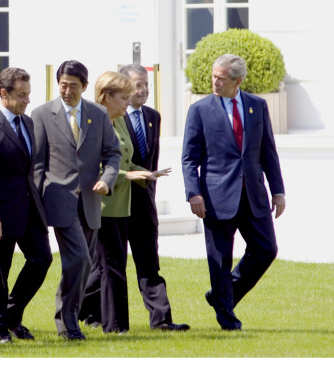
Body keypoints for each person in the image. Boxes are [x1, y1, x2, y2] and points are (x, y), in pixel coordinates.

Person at [181, 54, 285, 331]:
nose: (215, 81)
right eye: (214, 76)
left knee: (266, 250)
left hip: (253, 195)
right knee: (220, 260)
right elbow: (189, 157)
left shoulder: (257, 106)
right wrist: (193, 193)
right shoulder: (200, 110)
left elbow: (268, 151)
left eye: (221, 78)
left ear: (238, 81)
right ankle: (227, 317)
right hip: (215, 198)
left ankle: (221, 296)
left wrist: (278, 191)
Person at [32, 60, 121, 340]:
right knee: (80, 259)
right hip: (58, 200)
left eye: (73, 85)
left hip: (91, 201)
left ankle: (69, 316)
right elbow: (37, 163)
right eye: (63, 85)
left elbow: (112, 154)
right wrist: (35, 205)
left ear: (84, 86)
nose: (67, 90)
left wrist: (107, 180)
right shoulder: (42, 114)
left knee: (83, 264)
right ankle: (67, 320)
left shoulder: (98, 114)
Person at [79, 71, 171, 334]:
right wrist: (129, 175)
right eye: (124, 97)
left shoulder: (117, 121)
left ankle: (110, 322)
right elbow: (91, 168)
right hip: (103, 205)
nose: (127, 103)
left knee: (113, 267)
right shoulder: (92, 123)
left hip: (123, 204)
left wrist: (146, 174)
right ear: (106, 97)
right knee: (110, 268)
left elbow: (124, 159)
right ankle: (114, 326)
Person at [0, 67, 52, 343]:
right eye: (21, 95)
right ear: (3, 93)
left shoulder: (27, 123)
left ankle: (12, 315)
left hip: (30, 210)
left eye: (29, 94)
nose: (28, 100)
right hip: (0, 214)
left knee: (42, 258)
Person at [119, 64, 190, 331]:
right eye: (138, 85)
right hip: (116, 202)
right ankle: (90, 313)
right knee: (104, 267)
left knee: (149, 262)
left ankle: (161, 319)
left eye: (146, 84)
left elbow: (151, 162)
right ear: (124, 85)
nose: (144, 89)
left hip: (144, 204)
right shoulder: (111, 116)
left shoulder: (153, 117)